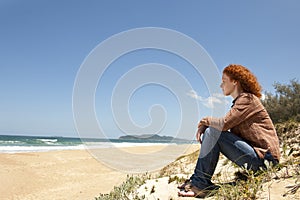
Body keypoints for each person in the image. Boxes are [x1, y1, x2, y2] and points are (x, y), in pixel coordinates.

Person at [178, 64, 280, 198]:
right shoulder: (240, 102)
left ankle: (200, 185)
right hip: (260, 159)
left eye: (224, 81)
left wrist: (204, 121)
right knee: (212, 131)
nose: (221, 85)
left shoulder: (248, 99)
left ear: (234, 81)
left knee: (213, 132)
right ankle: (198, 180)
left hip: (265, 161)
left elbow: (224, 124)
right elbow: (223, 124)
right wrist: (208, 125)